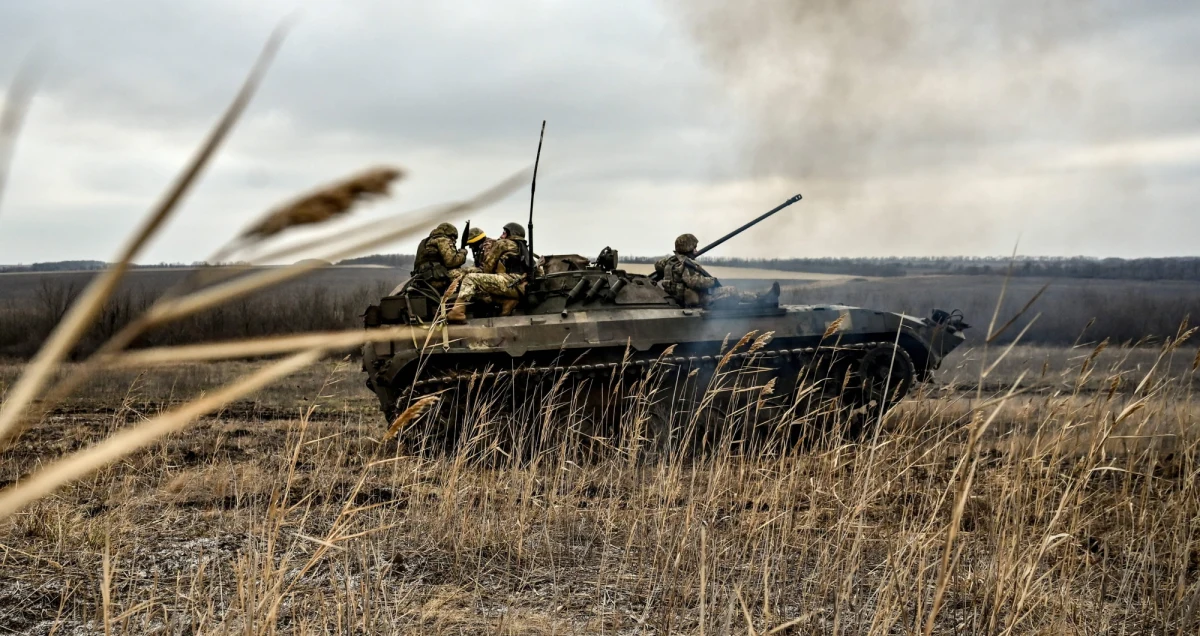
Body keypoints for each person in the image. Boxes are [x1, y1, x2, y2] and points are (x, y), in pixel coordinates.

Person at [654, 233, 778, 308]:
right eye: (694, 248)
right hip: (697, 299)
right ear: (688, 248)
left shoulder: (670, 262)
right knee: (732, 291)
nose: (696, 251)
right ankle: (763, 299)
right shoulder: (686, 264)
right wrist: (713, 281)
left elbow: (658, 265)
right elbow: (694, 281)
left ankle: (761, 297)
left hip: (681, 298)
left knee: (729, 292)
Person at [446, 222, 532, 323]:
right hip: (520, 287)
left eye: (504, 233)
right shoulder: (522, 247)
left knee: (470, 278)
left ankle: (457, 312)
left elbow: (488, 268)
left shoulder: (503, 243)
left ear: (511, 234)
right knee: (477, 288)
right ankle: (506, 301)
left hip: (511, 283)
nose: (501, 236)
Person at [411, 223, 467, 293]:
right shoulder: (442, 239)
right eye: (454, 238)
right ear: (450, 234)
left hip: (423, 280)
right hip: (437, 279)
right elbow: (451, 262)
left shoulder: (426, 241)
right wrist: (462, 253)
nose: (454, 241)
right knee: (472, 273)